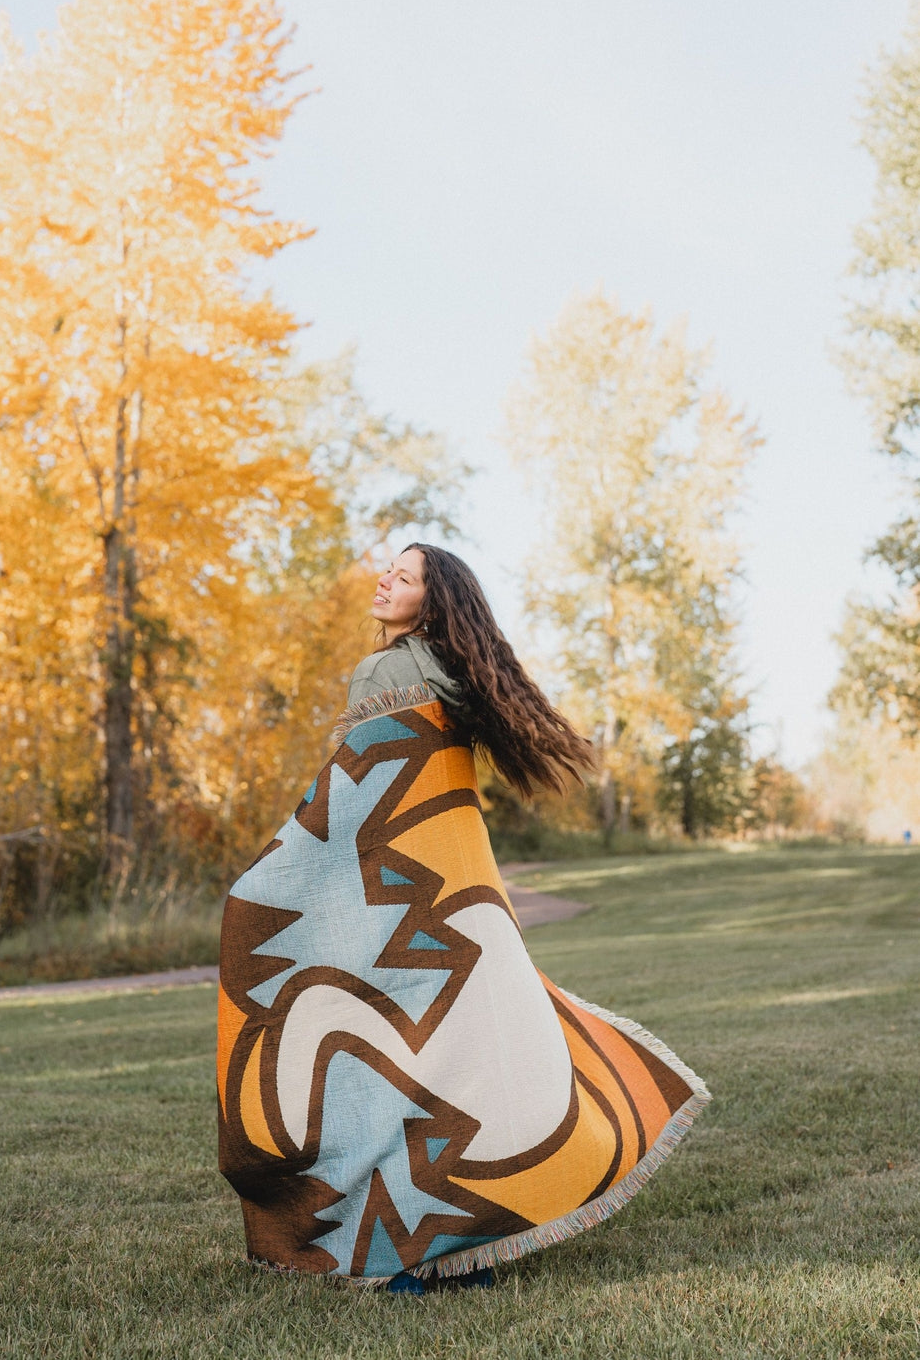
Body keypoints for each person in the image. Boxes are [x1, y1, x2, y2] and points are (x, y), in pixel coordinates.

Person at [218, 544, 710, 1293]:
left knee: (382, 1069)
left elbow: (354, 801)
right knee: (461, 1068)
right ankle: (463, 1245)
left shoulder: (385, 671)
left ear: (433, 600)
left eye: (405, 577)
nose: (386, 578)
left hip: (393, 895)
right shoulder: (460, 675)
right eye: (390, 568)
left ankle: (400, 1252)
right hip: (455, 895)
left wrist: (272, 877)